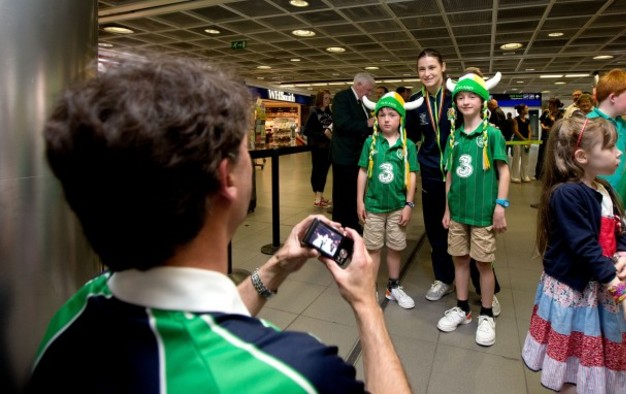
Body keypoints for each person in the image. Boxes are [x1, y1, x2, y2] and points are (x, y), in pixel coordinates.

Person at [27, 57, 411, 393]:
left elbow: (198, 315)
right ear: (226, 178)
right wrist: (366, 304)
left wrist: (275, 268)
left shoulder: (74, 312)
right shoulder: (299, 373)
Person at [521, 115, 626, 393]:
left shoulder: (604, 189)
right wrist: (623, 296)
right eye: (610, 147)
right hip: (579, 292)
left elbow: (623, 229)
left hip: (604, 287)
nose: (619, 153)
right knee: (572, 360)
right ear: (582, 156)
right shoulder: (567, 195)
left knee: (598, 358)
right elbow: (585, 250)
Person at [404, 49, 501, 315]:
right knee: (437, 230)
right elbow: (411, 138)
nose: (427, 73)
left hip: (462, 174)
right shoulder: (415, 102)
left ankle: (486, 291)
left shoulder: (457, 96)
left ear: (443, 67)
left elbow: (474, 121)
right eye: (422, 69)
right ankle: (443, 278)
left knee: (471, 229)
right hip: (432, 174)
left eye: (432, 67)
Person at [437, 68, 509, 347]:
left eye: (471, 97)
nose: (466, 101)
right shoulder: (454, 137)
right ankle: (463, 307)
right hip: (458, 212)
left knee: (484, 263)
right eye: (461, 97)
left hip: (482, 213)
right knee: (459, 260)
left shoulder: (492, 134)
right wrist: (446, 209)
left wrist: (500, 206)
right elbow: (450, 176)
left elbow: (503, 172)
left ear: (482, 101)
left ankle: (487, 314)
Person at [357, 92, 422, 309]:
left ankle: (393, 287)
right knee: (373, 249)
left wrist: (409, 204)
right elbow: (363, 172)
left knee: (395, 247)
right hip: (374, 206)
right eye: (381, 114)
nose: (386, 119)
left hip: (397, 207)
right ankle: (370, 288)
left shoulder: (408, 146)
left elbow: (412, 175)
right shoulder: (370, 143)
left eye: (392, 114)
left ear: (400, 118)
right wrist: (360, 201)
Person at [587, 68, 626, 198]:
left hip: (621, 190)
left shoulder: (622, 124)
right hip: (596, 191)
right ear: (613, 97)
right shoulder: (589, 123)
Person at [331, 72, 375, 233]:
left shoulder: (360, 102)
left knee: (353, 194)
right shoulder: (342, 98)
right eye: (368, 90)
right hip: (344, 156)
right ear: (359, 85)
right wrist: (367, 123)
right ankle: (340, 229)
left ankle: (352, 225)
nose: (369, 94)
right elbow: (342, 123)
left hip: (356, 157)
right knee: (342, 196)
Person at [303, 90, 333, 207]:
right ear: (320, 99)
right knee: (317, 171)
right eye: (325, 98)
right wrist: (322, 134)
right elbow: (306, 131)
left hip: (328, 147)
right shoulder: (314, 112)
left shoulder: (330, 113)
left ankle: (318, 196)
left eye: (329, 98)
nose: (328, 100)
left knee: (323, 172)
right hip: (318, 147)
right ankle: (318, 197)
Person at [536, 98, 562, 180]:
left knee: (552, 155)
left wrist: (553, 121)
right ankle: (540, 174)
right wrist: (543, 126)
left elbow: (559, 125)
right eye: (549, 104)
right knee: (542, 155)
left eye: (552, 105)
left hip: (554, 137)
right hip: (544, 136)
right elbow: (541, 122)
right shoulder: (546, 112)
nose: (549, 106)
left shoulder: (560, 114)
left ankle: (552, 174)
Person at [511, 103, 532, 183]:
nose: (527, 109)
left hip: (526, 141)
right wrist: (524, 139)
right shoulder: (515, 119)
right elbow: (516, 131)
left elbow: (530, 131)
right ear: (522, 110)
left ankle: (524, 175)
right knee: (516, 158)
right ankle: (514, 176)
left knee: (525, 159)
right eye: (526, 108)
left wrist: (528, 140)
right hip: (517, 141)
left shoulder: (527, 120)